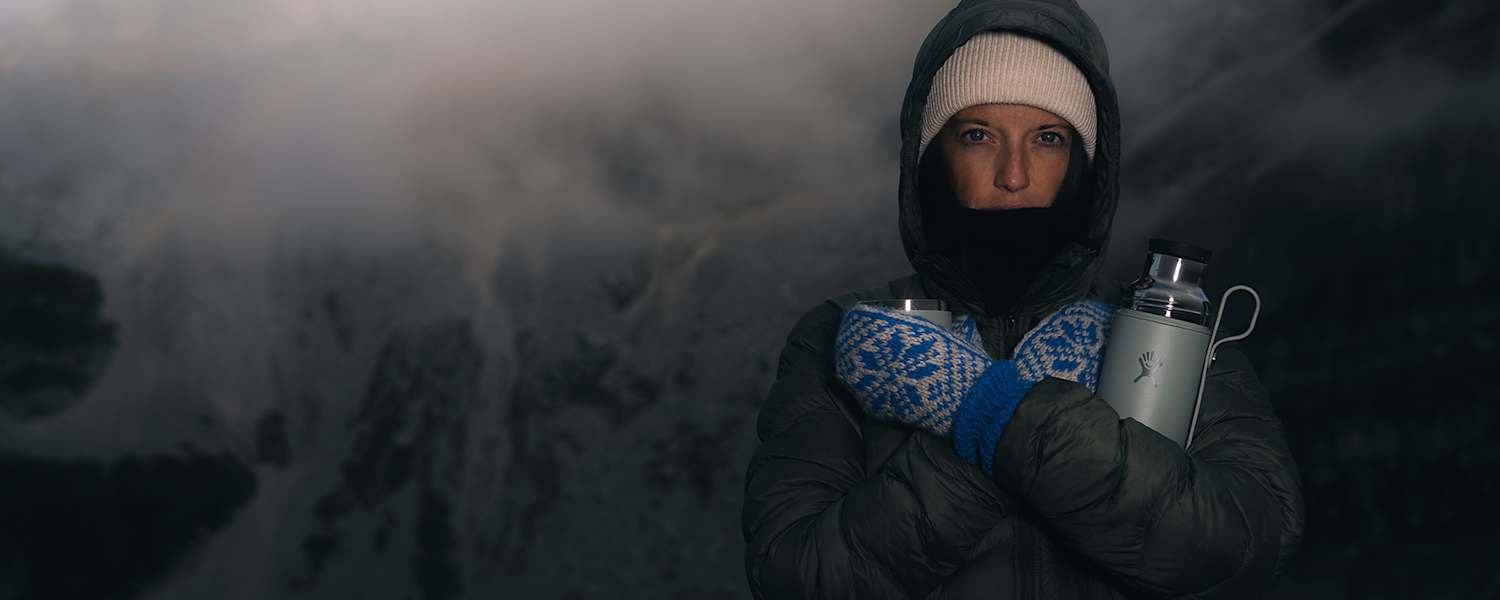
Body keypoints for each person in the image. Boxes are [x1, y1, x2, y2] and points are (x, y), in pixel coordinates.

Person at [739, 1, 1306, 598]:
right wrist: (1004, 418)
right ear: (933, 156)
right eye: (978, 135)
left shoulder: (1166, 333)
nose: (1014, 173)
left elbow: (1247, 543)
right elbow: (795, 575)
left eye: (1049, 138)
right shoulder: (840, 333)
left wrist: (987, 407)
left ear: (1086, 164)